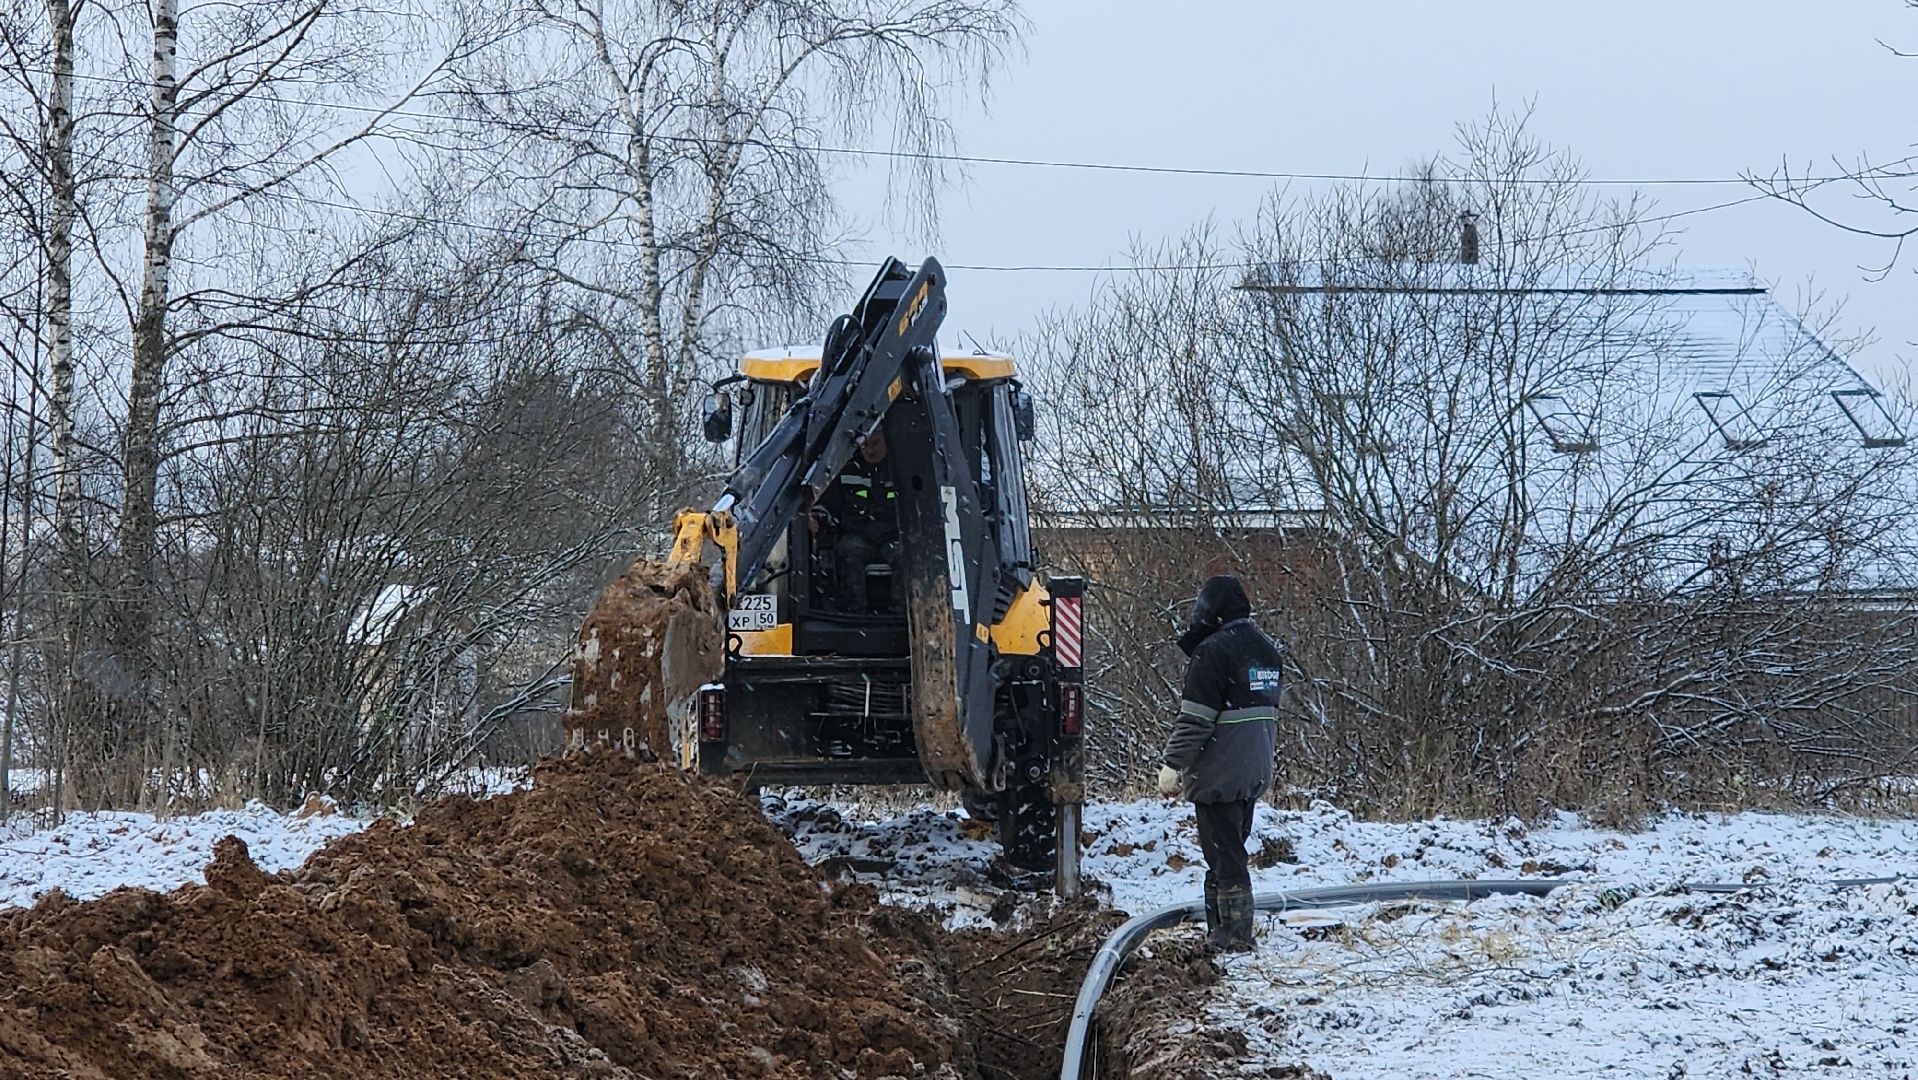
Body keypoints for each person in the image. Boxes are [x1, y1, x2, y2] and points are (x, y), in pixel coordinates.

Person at [1157, 575, 1283, 953]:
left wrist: (1171, 763)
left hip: (1221, 771)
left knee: (1225, 854)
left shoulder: (1212, 652)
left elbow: (1196, 720)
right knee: (1228, 847)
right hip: (1255, 766)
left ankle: (1234, 936)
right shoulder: (1266, 650)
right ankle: (1220, 929)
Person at [821, 430, 901, 612]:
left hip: (893, 534)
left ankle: (901, 611)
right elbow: (829, 503)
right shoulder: (846, 470)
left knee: (906, 556)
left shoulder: (900, 468)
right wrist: (818, 516)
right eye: (865, 445)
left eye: (875, 444)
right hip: (858, 534)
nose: (870, 450)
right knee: (849, 553)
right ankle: (855, 611)